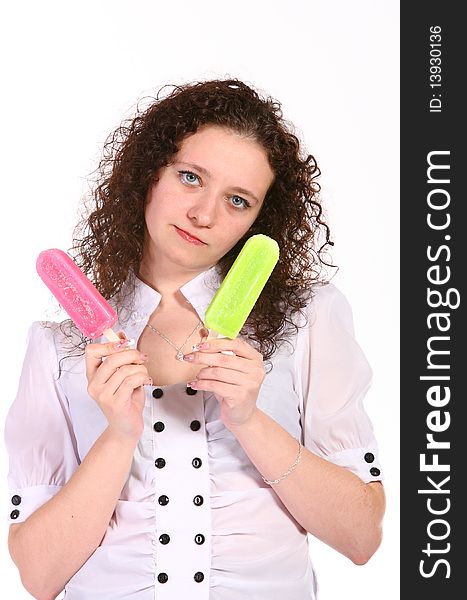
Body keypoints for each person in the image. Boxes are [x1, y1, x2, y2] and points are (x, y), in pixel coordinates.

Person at [5, 78, 385, 600]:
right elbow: (37, 577)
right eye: (189, 177)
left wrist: (249, 420)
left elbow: (362, 538)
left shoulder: (308, 320)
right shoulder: (60, 348)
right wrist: (118, 435)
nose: (204, 215)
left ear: (260, 220)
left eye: (237, 199)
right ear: (147, 176)